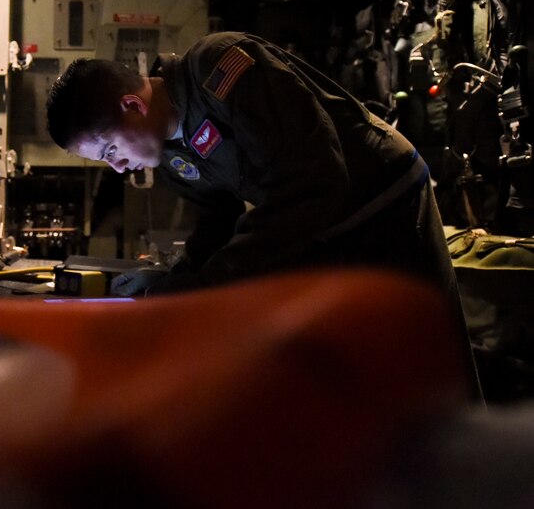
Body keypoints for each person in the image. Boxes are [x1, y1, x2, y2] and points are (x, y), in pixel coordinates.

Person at [46, 31, 482, 398]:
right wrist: (176, 277)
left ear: (133, 106)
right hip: (326, 223)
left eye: (110, 151)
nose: (117, 167)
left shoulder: (221, 69)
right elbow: (218, 221)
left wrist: (201, 287)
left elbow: (312, 181)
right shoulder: (173, 159)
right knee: (363, 380)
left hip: (385, 199)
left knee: (434, 366)